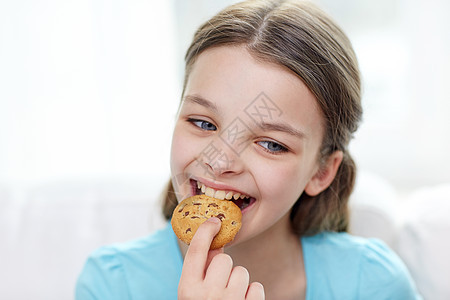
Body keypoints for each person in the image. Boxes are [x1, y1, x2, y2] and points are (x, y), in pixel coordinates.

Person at [76, 0, 422, 299]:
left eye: (271, 144)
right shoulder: (113, 284)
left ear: (321, 172)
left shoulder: (373, 284)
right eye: (203, 123)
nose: (220, 160)